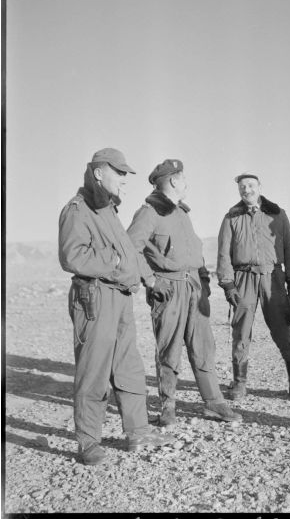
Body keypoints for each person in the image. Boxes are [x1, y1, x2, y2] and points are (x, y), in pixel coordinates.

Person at [58, 148, 174, 466]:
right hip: (94, 298)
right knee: (94, 370)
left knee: (128, 366)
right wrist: (114, 262)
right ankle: (88, 442)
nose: (124, 179)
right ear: (98, 172)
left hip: (121, 297)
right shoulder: (78, 210)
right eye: (119, 172)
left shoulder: (108, 210)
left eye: (125, 173)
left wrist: (147, 279)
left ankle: (137, 431)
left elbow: (130, 254)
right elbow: (72, 256)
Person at [127, 159, 242, 425]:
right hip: (169, 289)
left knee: (204, 346)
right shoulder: (149, 212)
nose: (187, 183)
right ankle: (167, 407)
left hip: (194, 288)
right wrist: (151, 281)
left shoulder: (181, 213)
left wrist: (203, 280)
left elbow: (194, 251)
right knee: (169, 348)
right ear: (174, 181)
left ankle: (214, 402)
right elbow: (130, 248)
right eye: (184, 178)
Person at [216, 172, 290, 401]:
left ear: (259, 187)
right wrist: (227, 283)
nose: (246, 190)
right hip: (243, 278)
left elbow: (289, 248)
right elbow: (223, 253)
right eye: (242, 187)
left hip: (273, 277)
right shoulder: (231, 218)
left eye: (250, 185)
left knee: (283, 328)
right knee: (241, 330)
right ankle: (239, 383)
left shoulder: (278, 215)